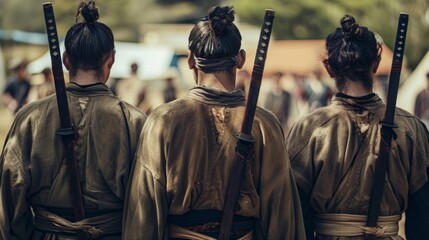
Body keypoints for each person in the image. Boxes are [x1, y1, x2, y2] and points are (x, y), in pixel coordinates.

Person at [123, 6, 305, 240]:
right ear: (240, 59)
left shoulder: (164, 120)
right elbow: (280, 215)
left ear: (190, 60)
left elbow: (144, 211)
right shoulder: (265, 124)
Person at [0, 1, 146, 239]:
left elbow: (9, 205)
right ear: (111, 59)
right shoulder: (134, 121)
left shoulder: (29, 118)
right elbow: (146, 206)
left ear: (66, 59)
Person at [286, 15, 429, 240]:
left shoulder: (309, 129)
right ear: (376, 63)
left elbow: (296, 213)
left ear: (329, 67)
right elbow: (423, 215)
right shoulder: (411, 129)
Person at [264, 71, 292, 135]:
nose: (277, 81)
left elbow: (288, 110)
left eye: (279, 79)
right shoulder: (270, 94)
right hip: (271, 121)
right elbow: (266, 108)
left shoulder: (286, 94)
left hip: (282, 122)